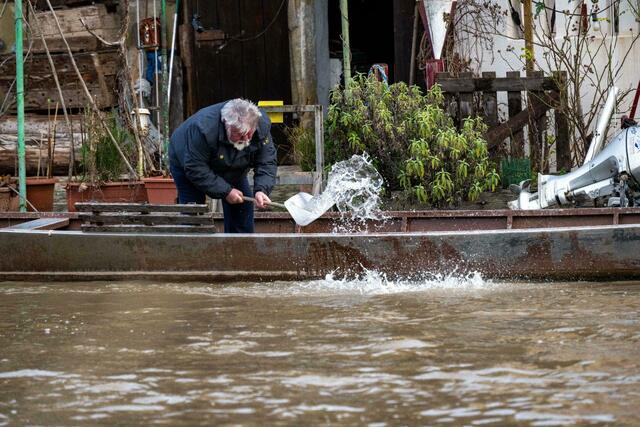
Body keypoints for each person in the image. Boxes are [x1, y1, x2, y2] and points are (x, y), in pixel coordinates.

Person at [169, 98, 277, 233]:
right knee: (193, 209)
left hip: (232, 163)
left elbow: (266, 160)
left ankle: (239, 250)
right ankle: (193, 250)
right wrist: (226, 191)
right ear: (226, 124)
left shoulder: (261, 125)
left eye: (249, 133)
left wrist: (262, 189)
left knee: (243, 205)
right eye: (239, 134)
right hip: (187, 161)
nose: (246, 139)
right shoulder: (202, 129)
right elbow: (195, 168)